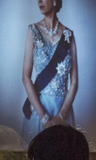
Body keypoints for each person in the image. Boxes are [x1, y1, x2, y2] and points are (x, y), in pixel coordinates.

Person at [21, 0, 78, 142]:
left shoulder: (68, 36)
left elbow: (74, 82)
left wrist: (61, 116)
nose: (39, 1)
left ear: (54, 1)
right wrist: (44, 118)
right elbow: (25, 77)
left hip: (62, 110)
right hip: (39, 110)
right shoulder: (32, 31)